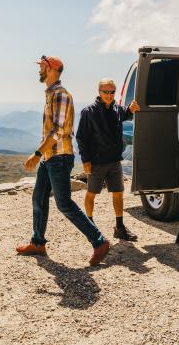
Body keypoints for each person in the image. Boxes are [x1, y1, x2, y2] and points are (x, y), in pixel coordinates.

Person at [16, 55, 111, 266]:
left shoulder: (60, 95)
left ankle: (99, 241)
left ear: (52, 69)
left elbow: (58, 131)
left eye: (42, 66)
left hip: (58, 157)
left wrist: (38, 152)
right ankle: (38, 242)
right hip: (51, 157)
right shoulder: (51, 94)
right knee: (39, 197)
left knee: (64, 204)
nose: (39, 69)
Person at [76, 78, 140, 241]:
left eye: (112, 92)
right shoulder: (88, 112)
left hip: (114, 161)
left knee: (118, 193)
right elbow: (81, 137)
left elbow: (125, 112)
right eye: (106, 92)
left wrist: (131, 109)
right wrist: (85, 160)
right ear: (99, 92)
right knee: (91, 193)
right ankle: (89, 227)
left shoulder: (117, 109)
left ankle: (119, 227)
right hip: (96, 162)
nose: (109, 95)